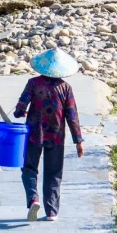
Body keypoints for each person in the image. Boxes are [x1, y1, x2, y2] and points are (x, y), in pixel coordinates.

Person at [14, 47, 84, 222]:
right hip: (56, 136)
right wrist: (78, 140)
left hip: (33, 134)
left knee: (29, 168)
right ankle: (52, 212)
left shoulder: (33, 83)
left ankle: (33, 199)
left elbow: (21, 107)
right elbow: (72, 116)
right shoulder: (66, 88)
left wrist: (19, 113)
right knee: (54, 172)